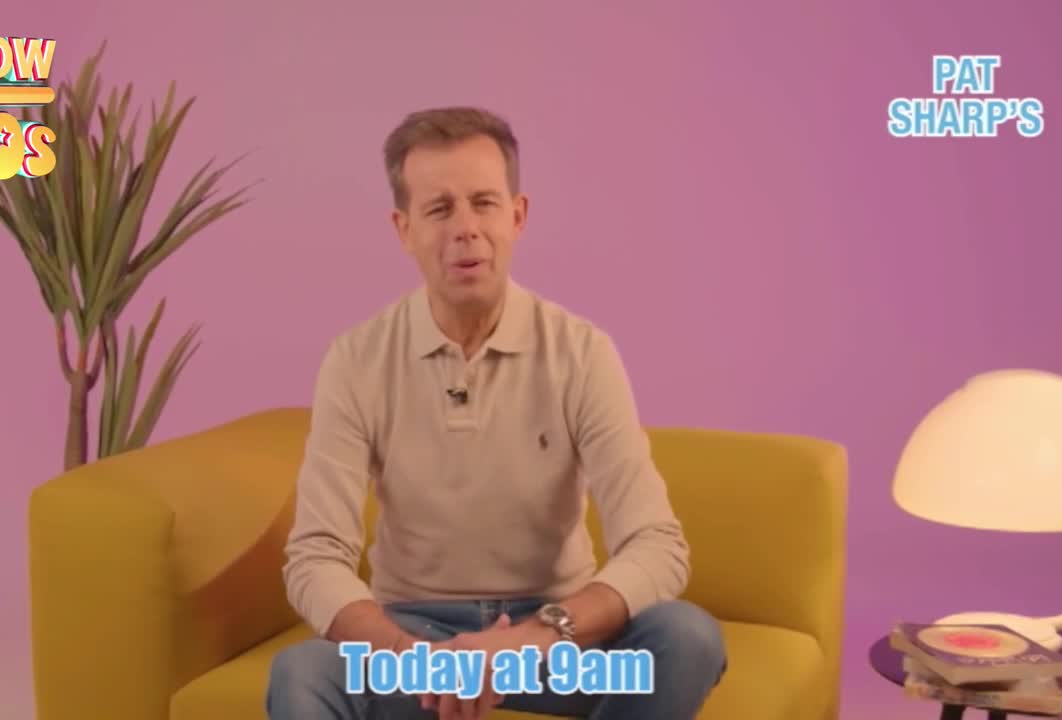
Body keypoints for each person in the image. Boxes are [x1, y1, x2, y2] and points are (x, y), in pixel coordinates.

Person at [266, 106, 727, 720]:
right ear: (403, 229)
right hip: (414, 644)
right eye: (439, 209)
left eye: (484, 203)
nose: (466, 229)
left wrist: (529, 639)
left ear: (517, 216)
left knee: (686, 637)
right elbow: (316, 556)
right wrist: (413, 656)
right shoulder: (355, 360)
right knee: (302, 673)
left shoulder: (581, 351)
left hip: (553, 643)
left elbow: (657, 544)